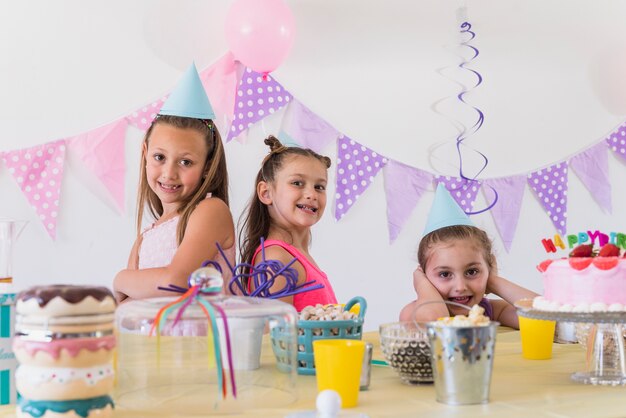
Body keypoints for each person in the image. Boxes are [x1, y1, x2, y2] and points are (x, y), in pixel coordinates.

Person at [114, 64, 235, 303]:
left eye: (186, 162)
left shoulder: (210, 211)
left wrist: (120, 278)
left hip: (199, 340)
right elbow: (127, 307)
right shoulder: (145, 238)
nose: (169, 173)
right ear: (145, 153)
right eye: (160, 157)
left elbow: (177, 282)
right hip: (154, 340)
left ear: (207, 166)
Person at [399, 184, 537, 328]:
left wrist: (493, 281)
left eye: (472, 272)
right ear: (425, 276)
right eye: (445, 274)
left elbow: (547, 318)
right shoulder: (413, 312)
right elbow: (435, 323)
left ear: (488, 268)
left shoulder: (487, 311)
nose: (460, 286)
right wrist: (422, 284)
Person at [237, 136, 337, 311]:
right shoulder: (275, 259)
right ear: (266, 193)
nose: (312, 194)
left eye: (319, 187)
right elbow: (273, 336)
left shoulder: (296, 255)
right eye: (297, 183)